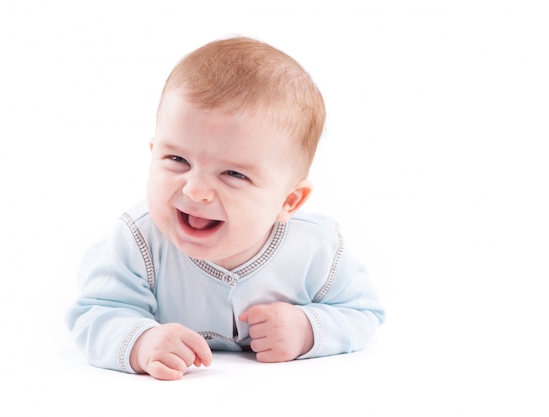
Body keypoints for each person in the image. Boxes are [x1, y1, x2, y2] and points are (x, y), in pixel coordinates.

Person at [67, 36, 385, 381]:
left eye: (233, 174)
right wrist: (141, 342)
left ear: (288, 201)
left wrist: (307, 329)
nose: (196, 190)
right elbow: (96, 313)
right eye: (176, 159)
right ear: (153, 151)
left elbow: (363, 312)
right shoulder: (139, 240)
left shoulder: (314, 249)